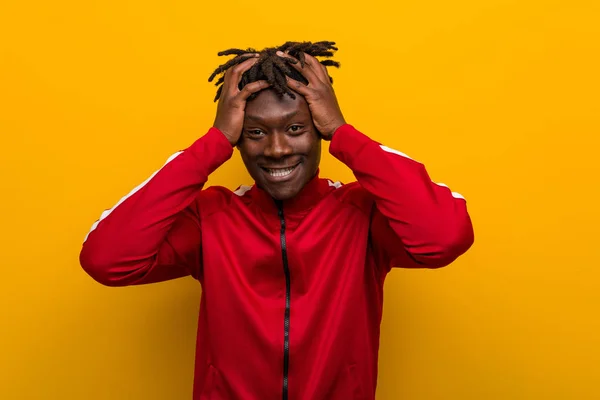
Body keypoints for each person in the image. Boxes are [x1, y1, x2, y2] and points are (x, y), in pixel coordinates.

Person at [79, 41, 474, 400]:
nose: (277, 149)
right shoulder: (211, 218)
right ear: (237, 139)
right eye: (255, 132)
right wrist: (212, 143)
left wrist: (344, 134)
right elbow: (107, 260)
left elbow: (444, 237)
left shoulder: (360, 214)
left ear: (319, 130)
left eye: (296, 128)